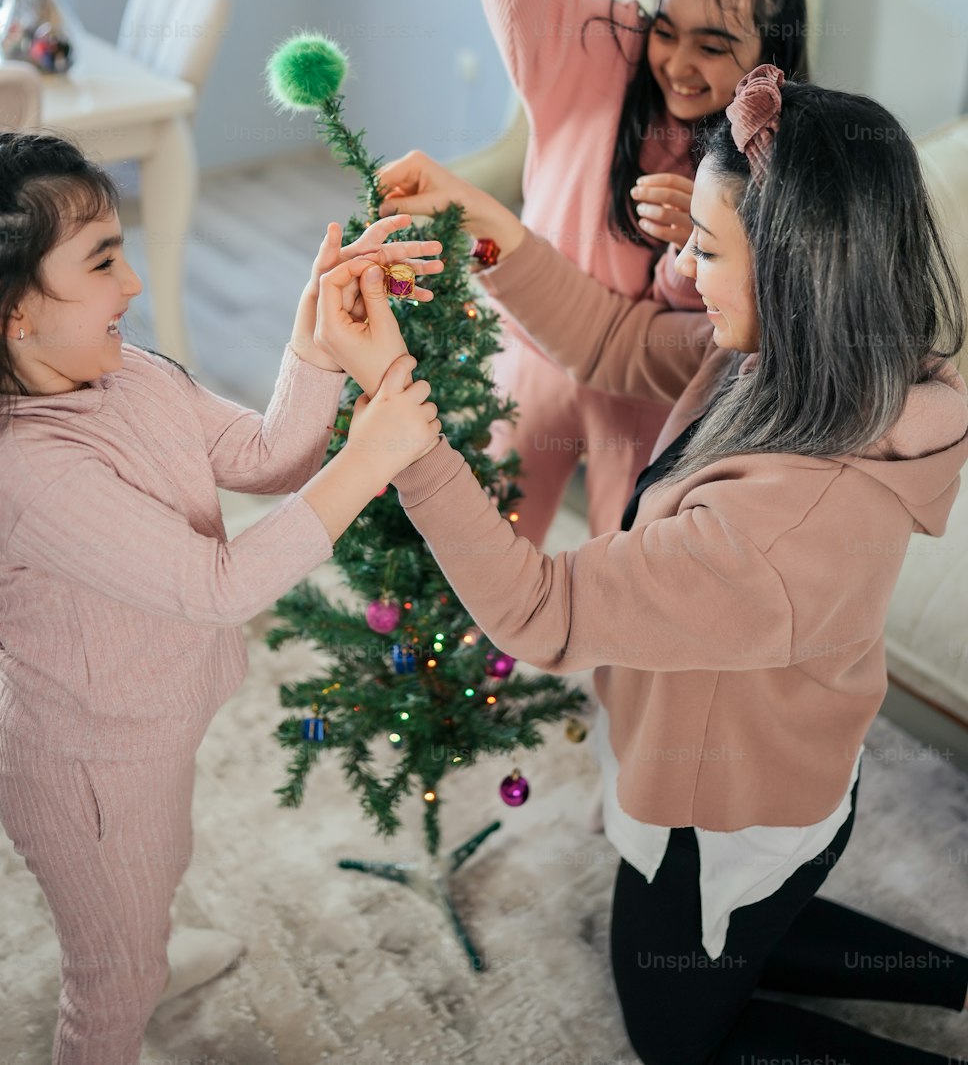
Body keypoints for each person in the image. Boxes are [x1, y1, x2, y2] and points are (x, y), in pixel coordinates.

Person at [315, 70, 968, 1062]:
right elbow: (614, 341)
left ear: (800, 270)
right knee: (757, 931)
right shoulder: (802, 360)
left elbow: (544, 608)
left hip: (727, 818)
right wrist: (482, 220)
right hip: (774, 774)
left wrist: (405, 436)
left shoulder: (778, 526)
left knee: (680, 1038)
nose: (686, 271)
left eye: (708, 250)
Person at [0, 128, 441, 1065]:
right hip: (86, 766)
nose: (133, 284)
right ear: (10, 309)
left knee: (160, 862)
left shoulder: (127, 375)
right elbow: (217, 587)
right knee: (110, 989)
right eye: (103, 261)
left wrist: (314, 340)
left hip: (146, 732)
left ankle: (147, 938)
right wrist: (368, 461)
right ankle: (131, 969)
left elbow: (266, 457)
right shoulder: (18, 471)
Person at [456, 0, 810, 547]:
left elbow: (721, 318)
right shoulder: (602, 47)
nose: (677, 63)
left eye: (712, 47)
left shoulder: (773, 150)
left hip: (647, 394)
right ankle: (463, 658)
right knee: (488, 544)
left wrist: (695, 247)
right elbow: (531, 3)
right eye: (668, 31)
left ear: (768, 55)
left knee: (627, 559)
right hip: (531, 350)